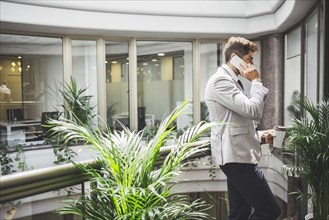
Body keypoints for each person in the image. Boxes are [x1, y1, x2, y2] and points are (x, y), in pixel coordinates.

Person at [205, 36, 281, 220]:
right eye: (249, 59)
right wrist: (256, 81)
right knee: (270, 210)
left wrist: (262, 136)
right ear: (234, 57)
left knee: (240, 213)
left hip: (238, 155)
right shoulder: (220, 81)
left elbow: (236, 122)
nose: (252, 65)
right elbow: (253, 111)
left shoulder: (231, 81)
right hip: (236, 158)